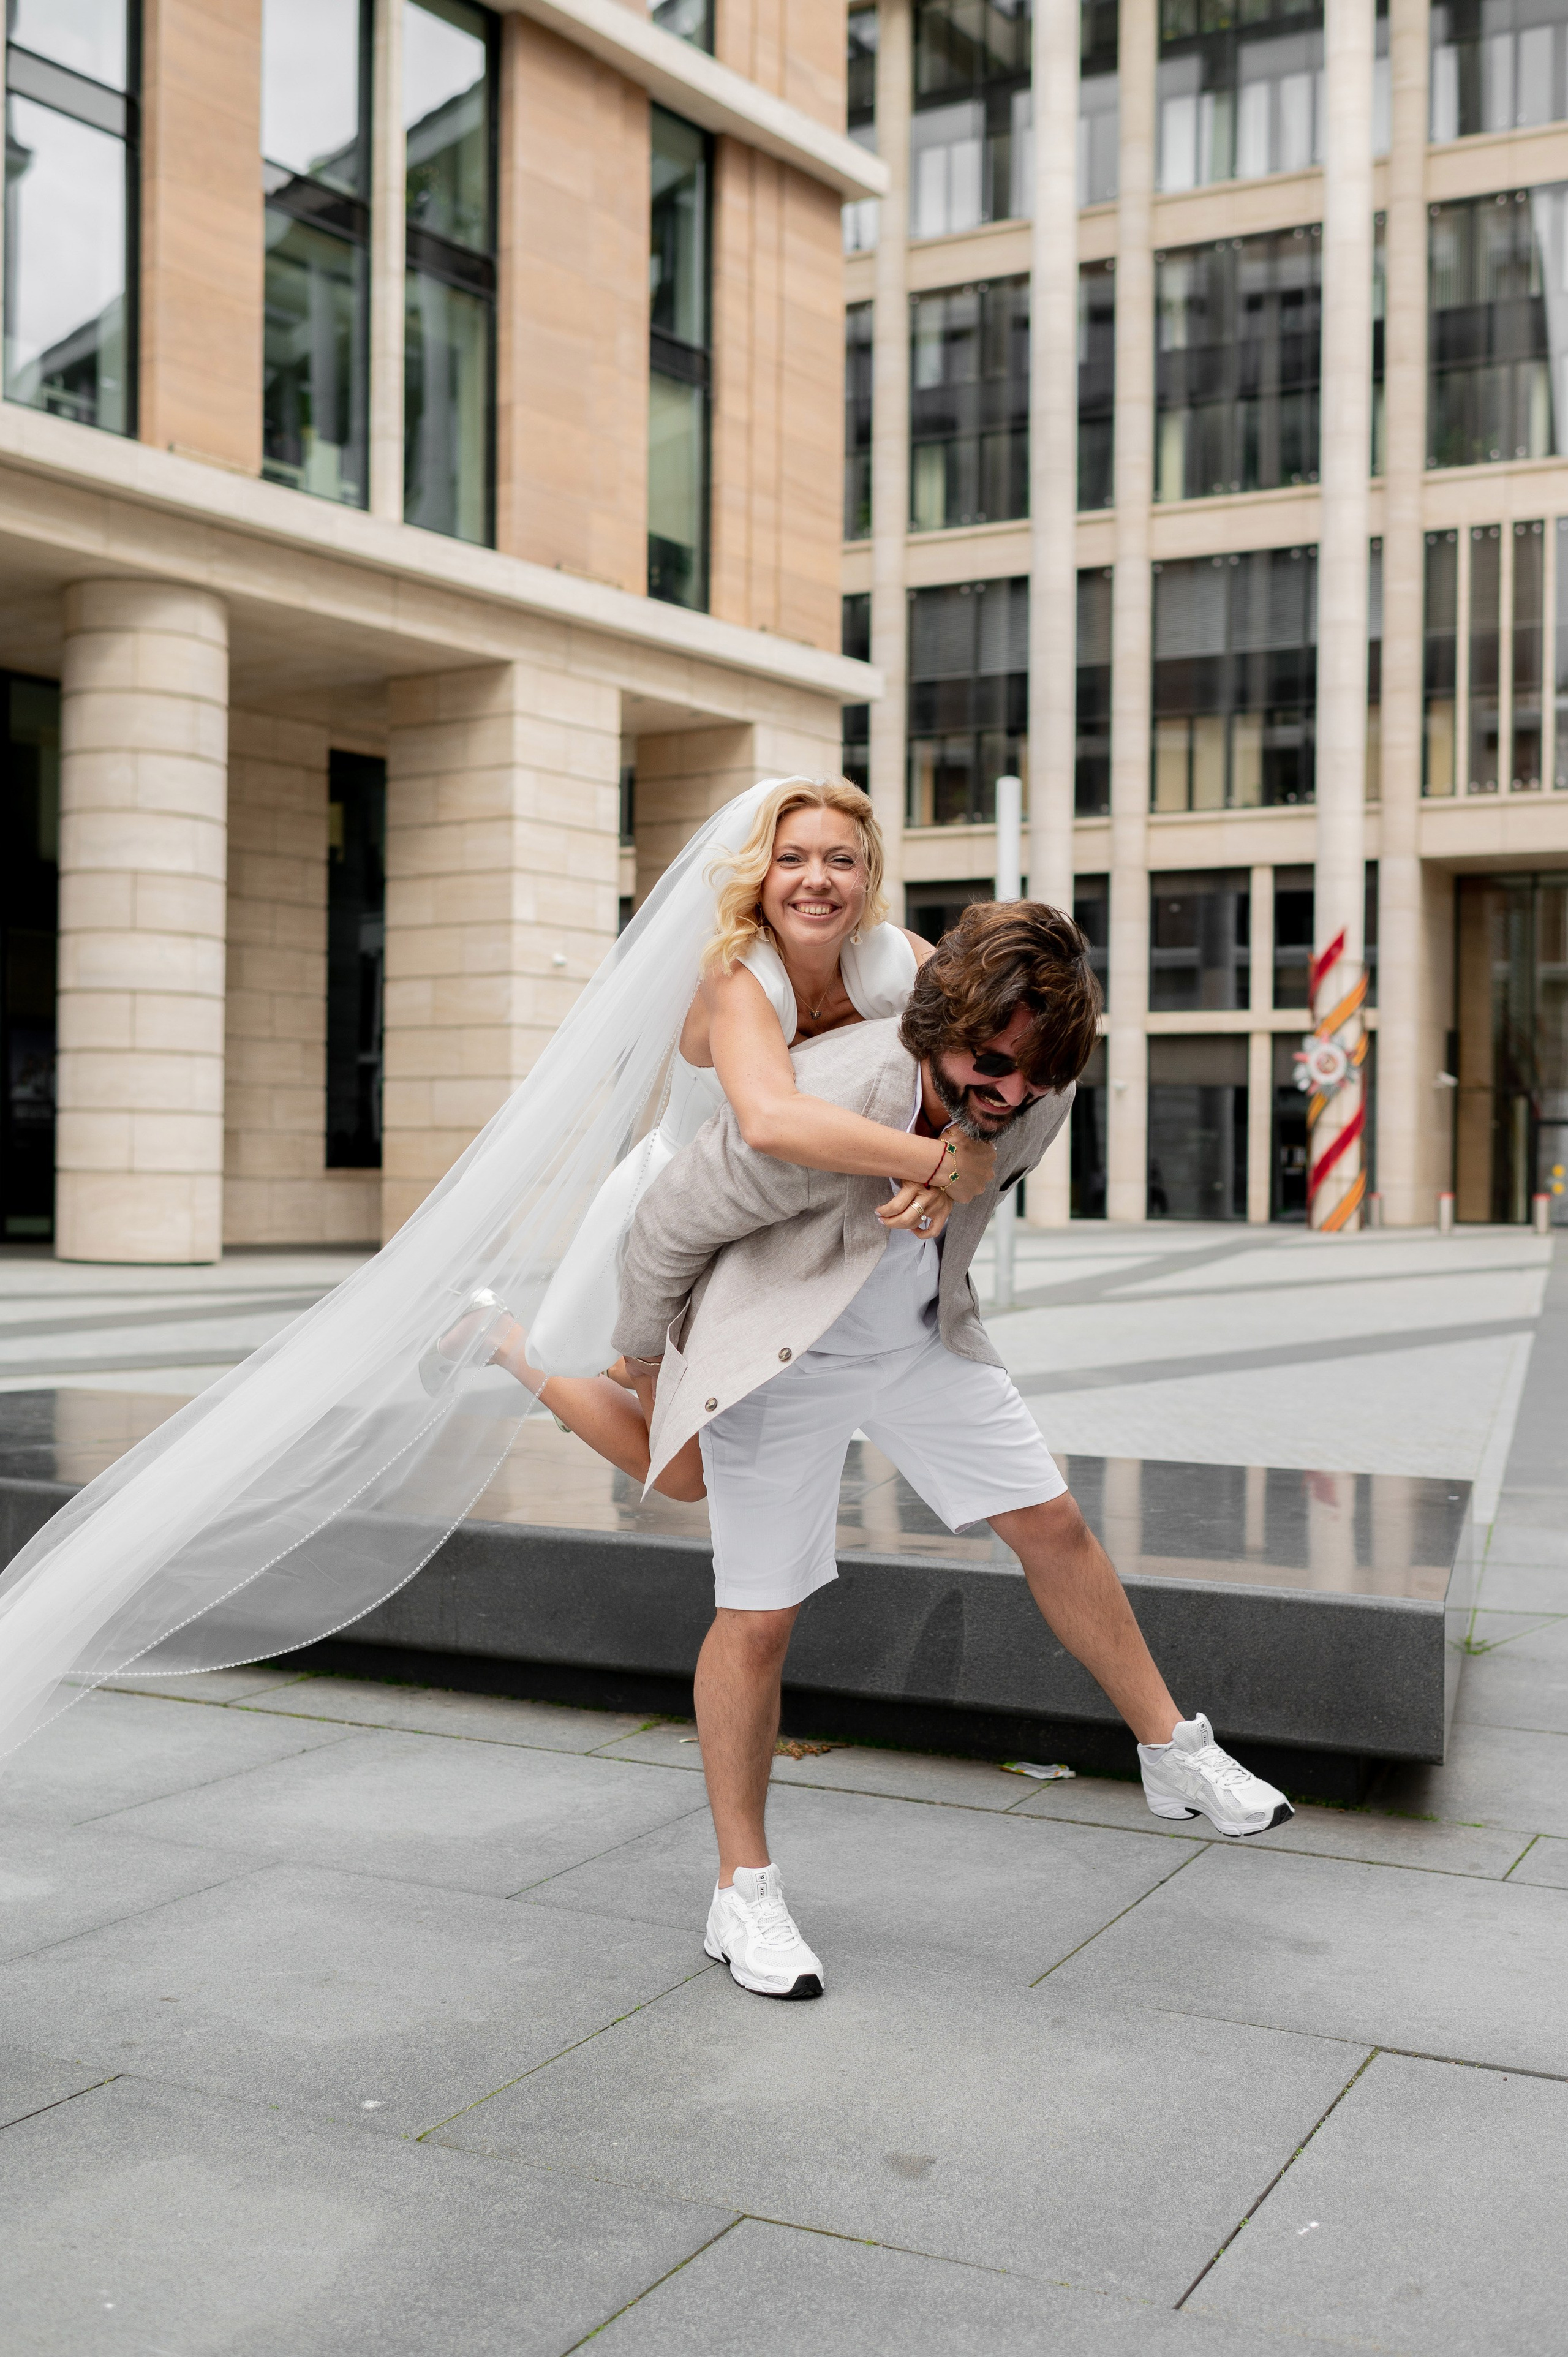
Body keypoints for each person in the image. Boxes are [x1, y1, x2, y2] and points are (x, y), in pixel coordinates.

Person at [611, 900, 1295, 2001]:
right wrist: (644, 1366)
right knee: (759, 1615)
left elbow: (994, 1152)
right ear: (939, 1022)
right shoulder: (833, 1095)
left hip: (921, 1334)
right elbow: (665, 1227)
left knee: (1053, 1520)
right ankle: (741, 1891)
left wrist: (958, 1163)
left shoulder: (1040, 1088)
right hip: (778, 1345)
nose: (1012, 1091)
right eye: (992, 1062)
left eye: (1036, 1075)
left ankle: (1171, 1749)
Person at [424, 777, 993, 1502]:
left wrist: (959, 1139)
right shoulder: (734, 974)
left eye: (841, 860)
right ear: (760, 875)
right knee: (686, 1478)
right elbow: (770, 1119)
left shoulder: (901, 963)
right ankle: (496, 1333)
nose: (816, 879)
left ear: (868, 875)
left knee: (729, 1446)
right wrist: (941, 1162)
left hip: (776, 1227)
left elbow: (985, 1060)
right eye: (791, 858)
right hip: (677, 1225)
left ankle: (619, 1371)